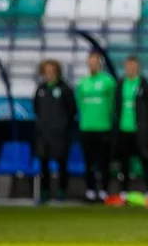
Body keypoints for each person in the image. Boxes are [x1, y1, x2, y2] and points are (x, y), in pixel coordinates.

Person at [110, 55, 148, 205]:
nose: (130, 69)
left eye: (132, 66)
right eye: (128, 66)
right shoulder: (121, 84)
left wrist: (144, 122)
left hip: (140, 130)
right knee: (124, 161)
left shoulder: (144, 85)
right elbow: (116, 104)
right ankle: (124, 191)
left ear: (137, 67)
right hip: (124, 129)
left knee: (145, 160)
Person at [32, 59, 77, 204]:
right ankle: (44, 192)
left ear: (57, 72)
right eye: (46, 71)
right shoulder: (41, 89)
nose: (49, 74)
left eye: (51, 71)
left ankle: (62, 190)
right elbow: (36, 108)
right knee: (43, 162)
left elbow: (72, 110)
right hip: (44, 132)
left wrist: (62, 125)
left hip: (60, 134)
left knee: (61, 162)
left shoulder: (65, 89)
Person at [76, 52, 116, 203]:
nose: (92, 65)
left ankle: (104, 190)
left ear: (99, 63)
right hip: (86, 127)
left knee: (104, 162)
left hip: (103, 127)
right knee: (88, 162)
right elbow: (79, 103)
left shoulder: (108, 81)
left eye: (95, 62)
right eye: (90, 62)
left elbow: (112, 103)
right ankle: (90, 190)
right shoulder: (82, 82)